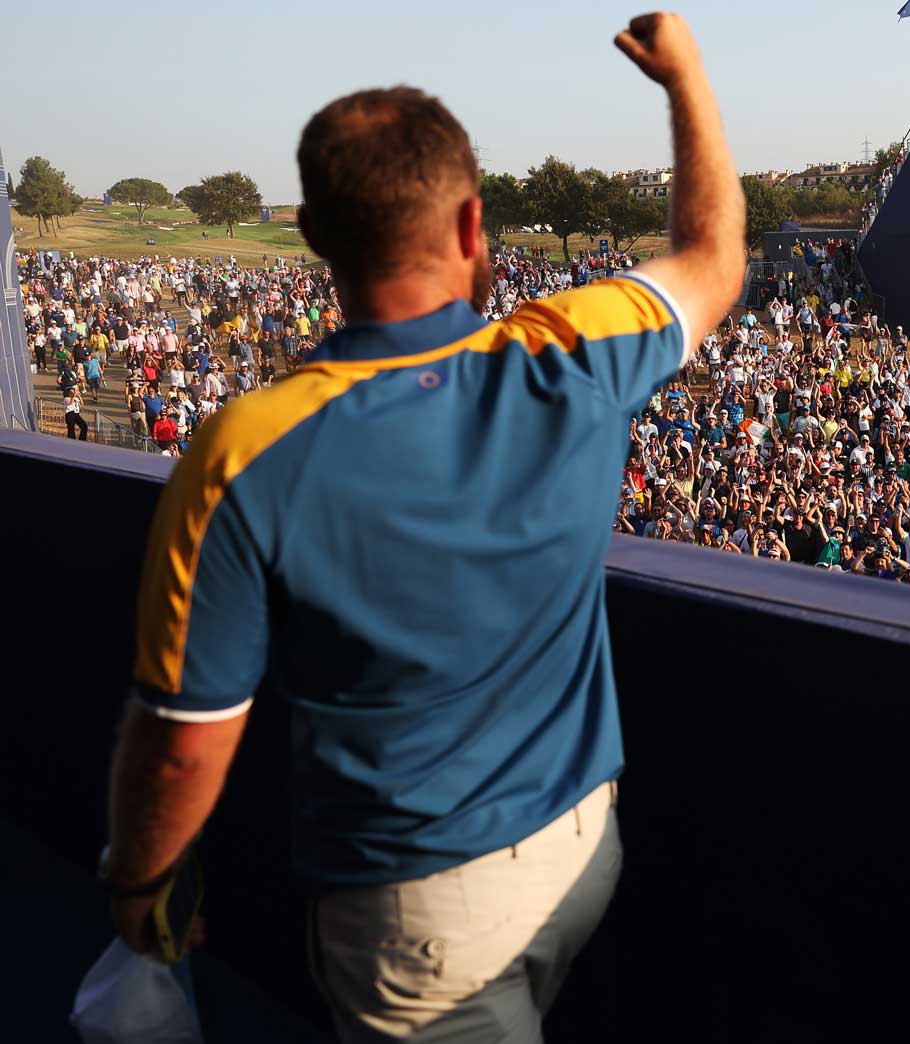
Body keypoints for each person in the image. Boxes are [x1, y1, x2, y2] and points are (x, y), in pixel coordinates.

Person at [103, 15, 745, 1041]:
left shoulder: (243, 452)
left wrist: (136, 882)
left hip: (419, 915)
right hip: (584, 841)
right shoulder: (572, 352)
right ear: (472, 225)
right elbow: (713, 256)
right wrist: (685, 81)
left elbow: (184, 748)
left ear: (312, 233)